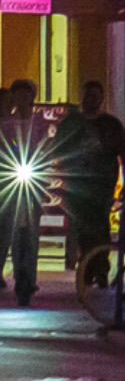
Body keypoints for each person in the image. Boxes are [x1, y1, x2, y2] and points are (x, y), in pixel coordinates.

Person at [53, 83, 125, 271]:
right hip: (77, 184)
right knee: (81, 227)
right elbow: (57, 149)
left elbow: (124, 154)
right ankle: (86, 266)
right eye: (88, 95)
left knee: (101, 225)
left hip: (103, 184)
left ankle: (101, 266)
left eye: (96, 96)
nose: (92, 100)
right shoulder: (71, 123)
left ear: (102, 99)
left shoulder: (111, 124)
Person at [0, 83, 42, 305]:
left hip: (33, 184)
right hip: (11, 183)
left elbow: (47, 147)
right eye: (17, 97)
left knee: (30, 234)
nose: (22, 101)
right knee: (12, 232)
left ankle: (29, 279)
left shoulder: (39, 123)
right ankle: (18, 277)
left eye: (26, 96)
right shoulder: (6, 124)